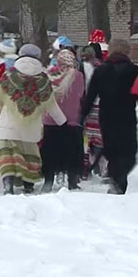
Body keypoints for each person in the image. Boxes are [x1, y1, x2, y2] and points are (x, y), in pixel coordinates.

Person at [0, 44, 67, 195]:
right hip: (31, 129)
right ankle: (28, 185)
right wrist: (63, 122)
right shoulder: (43, 79)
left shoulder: (9, 75)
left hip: (8, 127)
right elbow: (52, 105)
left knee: (8, 156)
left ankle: (8, 185)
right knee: (30, 157)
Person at [81, 39, 138, 195]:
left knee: (112, 152)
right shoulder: (134, 70)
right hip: (126, 119)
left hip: (106, 119)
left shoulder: (101, 71)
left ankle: (115, 179)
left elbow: (90, 96)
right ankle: (117, 180)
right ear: (127, 52)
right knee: (129, 153)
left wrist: (83, 115)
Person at [41, 49, 86, 192]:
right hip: (72, 120)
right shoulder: (78, 76)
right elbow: (81, 94)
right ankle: (72, 181)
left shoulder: (48, 75)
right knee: (72, 153)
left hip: (50, 120)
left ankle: (48, 181)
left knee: (50, 153)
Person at [81, 45, 106, 179]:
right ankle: (101, 167)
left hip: (86, 106)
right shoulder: (102, 67)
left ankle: (87, 167)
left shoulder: (79, 67)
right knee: (100, 138)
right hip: (100, 106)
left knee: (86, 139)